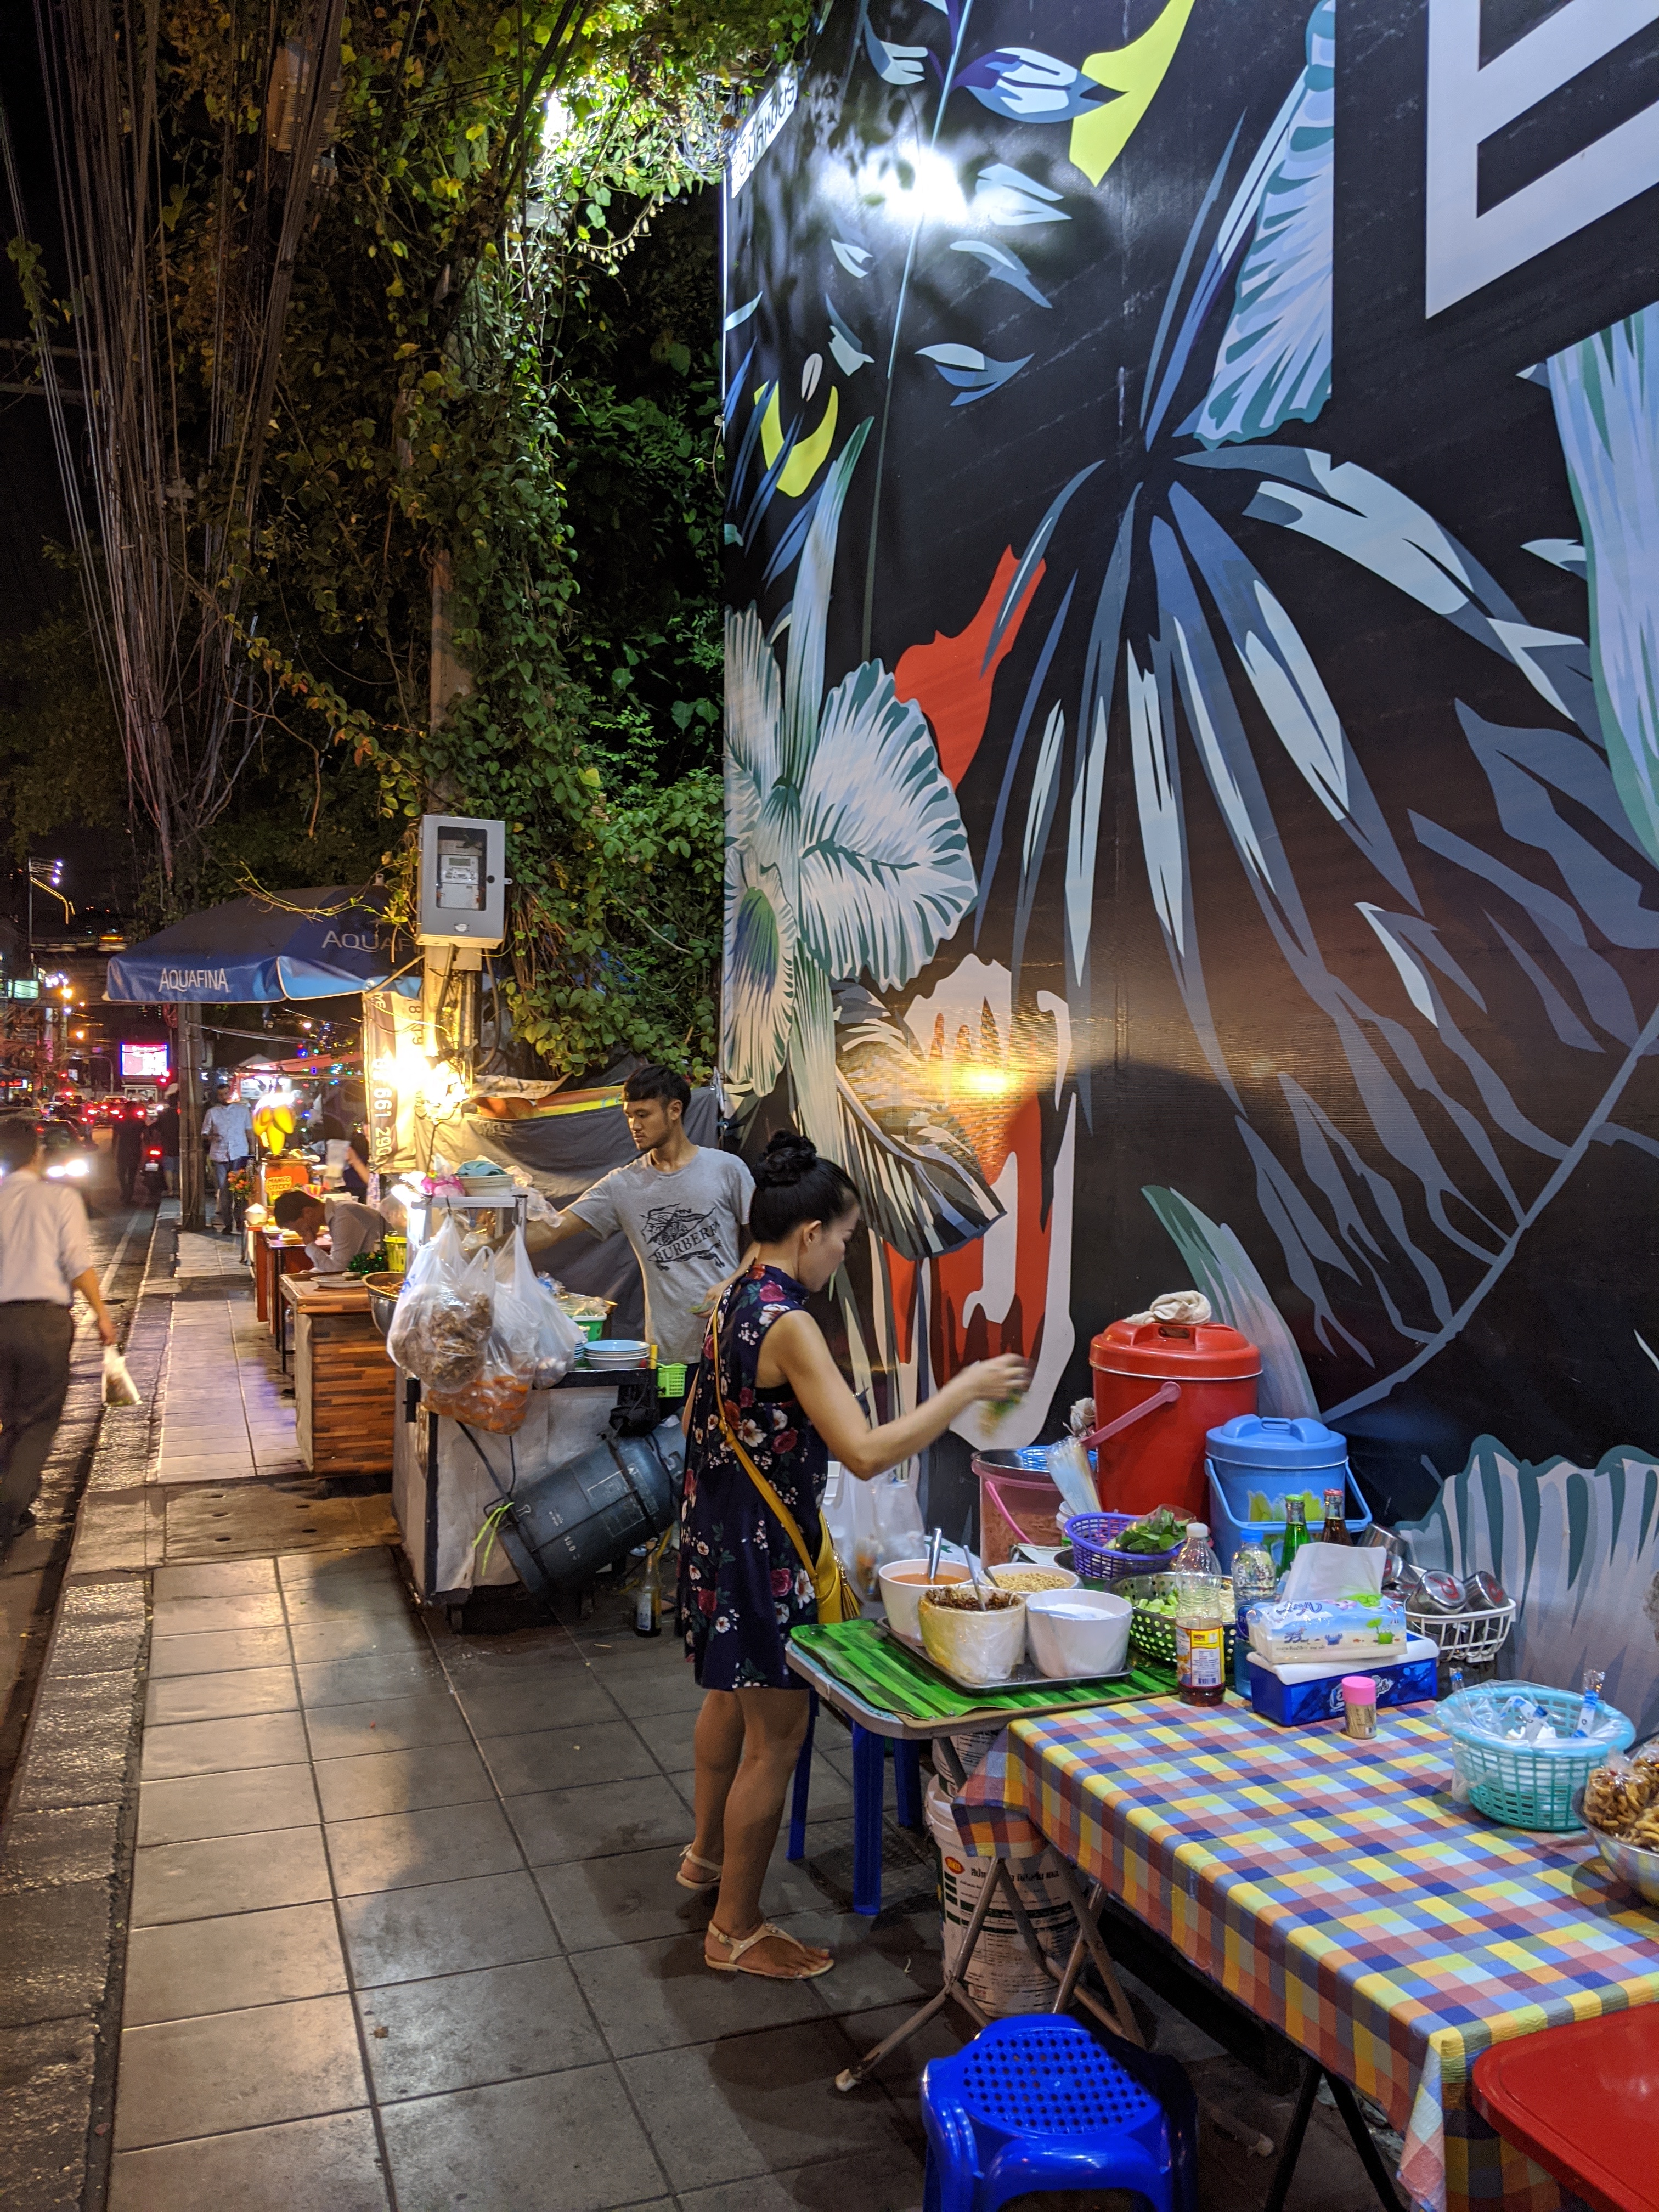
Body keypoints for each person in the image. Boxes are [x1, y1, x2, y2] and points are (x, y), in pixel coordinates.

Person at [677, 1131, 1029, 1982]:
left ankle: (703, 1857)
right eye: (844, 1236)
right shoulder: (789, 1320)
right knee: (779, 1737)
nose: (843, 1251)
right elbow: (866, 1453)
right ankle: (734, 1930)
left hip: (719, 1536)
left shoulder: (729, 1293)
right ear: (809, 1234)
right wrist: (961, 1391)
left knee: (731, 1697)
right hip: (763, 1556)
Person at [529, 1064, 753, 1367]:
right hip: (667, 1353)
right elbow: (553, 1230)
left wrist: (731, 1283)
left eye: (643, 1114)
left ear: (674, 1111)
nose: (634, 1124)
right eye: (629, 1115)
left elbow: (766, 1243)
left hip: (728, 1340)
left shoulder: (727, 1169)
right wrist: (478, 1247)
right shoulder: (621, 1185)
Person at [0, 1116, 119, 1545]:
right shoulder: (58, 1198)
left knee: (10, 1415)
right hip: (44, 1322)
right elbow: (77, 1262)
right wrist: (101, 1313)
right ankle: (10, 1507)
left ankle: (18, 1500)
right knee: (38, 1420)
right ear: (37, 1153)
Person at [270, 1185, 387, 1274]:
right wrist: (310, 1274)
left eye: (298, 1228)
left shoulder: (344, 1216)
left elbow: (337, 1270)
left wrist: (310, 1245)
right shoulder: (337, 1214)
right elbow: (336, 1262)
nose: (300, 1234)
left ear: (308, 1213)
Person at [201, 1088, 256, 1233]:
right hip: (220, 1156)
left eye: (226, 1094)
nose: (224, 1097)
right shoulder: (212, 1113)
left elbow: (249, 1132)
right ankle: (227, 1223)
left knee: (239, 1189)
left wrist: (253, 1151)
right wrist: (212, 1137)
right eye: (220, 1095)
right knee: (224, 1189)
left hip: (239, 1154)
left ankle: (240, 1220)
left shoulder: (243, 1111)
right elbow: (204, 1133)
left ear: (231, 1094)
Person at [112, 1105, 145, 1204]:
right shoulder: (140, 1123)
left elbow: (115, 1138)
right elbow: (147, 1138)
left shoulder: (120, 1123)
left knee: (121, 1173)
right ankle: (128, 1193)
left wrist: (113, 1150)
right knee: (132, 1175)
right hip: (134, 1151)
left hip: (123, 1151)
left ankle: (126, 1191)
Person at [151, 1094, 180, 1197]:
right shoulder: (180, 1117)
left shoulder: (163, 1116)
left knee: (169, 1169)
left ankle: (171, 1190)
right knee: (178, 1170)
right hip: (179, 1147)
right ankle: (179, 1190)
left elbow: (155, 1129)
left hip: (167, 1146)